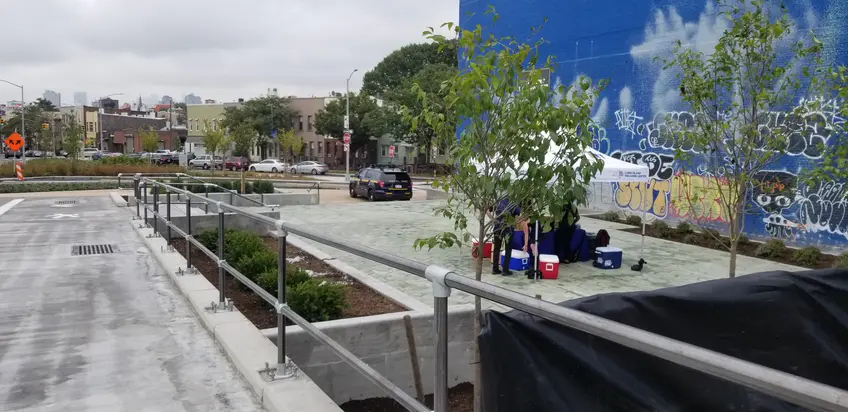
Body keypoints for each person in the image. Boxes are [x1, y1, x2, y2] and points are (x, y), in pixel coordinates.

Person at [489, 198, 522, 275]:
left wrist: (493, 220)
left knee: (496, 248)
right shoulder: (513, 203)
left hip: (497, 227)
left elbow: (487, 210)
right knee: (508, 249)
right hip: (508, 229)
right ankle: (505, 270)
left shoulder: (497, 201)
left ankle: (495, 269)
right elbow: (520, 215)